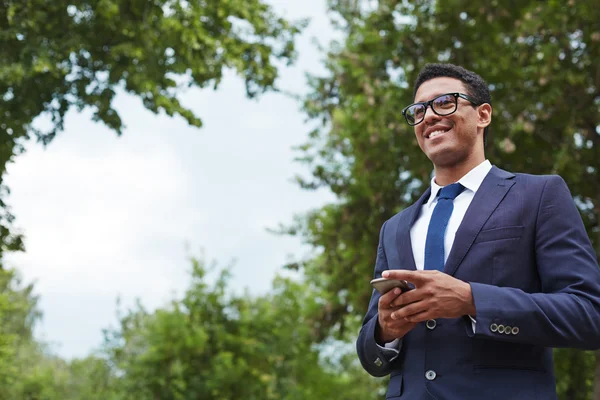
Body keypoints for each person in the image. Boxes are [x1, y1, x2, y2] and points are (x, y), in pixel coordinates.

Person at [356, 63, 600, 400]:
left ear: (483, 115)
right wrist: (386, 331)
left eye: (444, 102)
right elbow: (372, 355)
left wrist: (473, 301)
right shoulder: (394, 228)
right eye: (418, 110)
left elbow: (589, 315)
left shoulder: (539, 195)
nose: (428, 116)